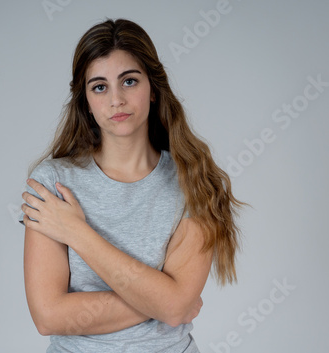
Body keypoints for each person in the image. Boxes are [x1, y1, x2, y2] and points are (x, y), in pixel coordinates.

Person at [18, 18, 246, 353]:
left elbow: (175, 307)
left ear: (153, 89)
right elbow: (48, 316)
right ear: (86, 102)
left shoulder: (195, 182)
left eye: (129, 81)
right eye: (99, 87)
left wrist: (77, 232)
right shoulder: (53, 182)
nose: (116, 100)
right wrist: (165, 302)